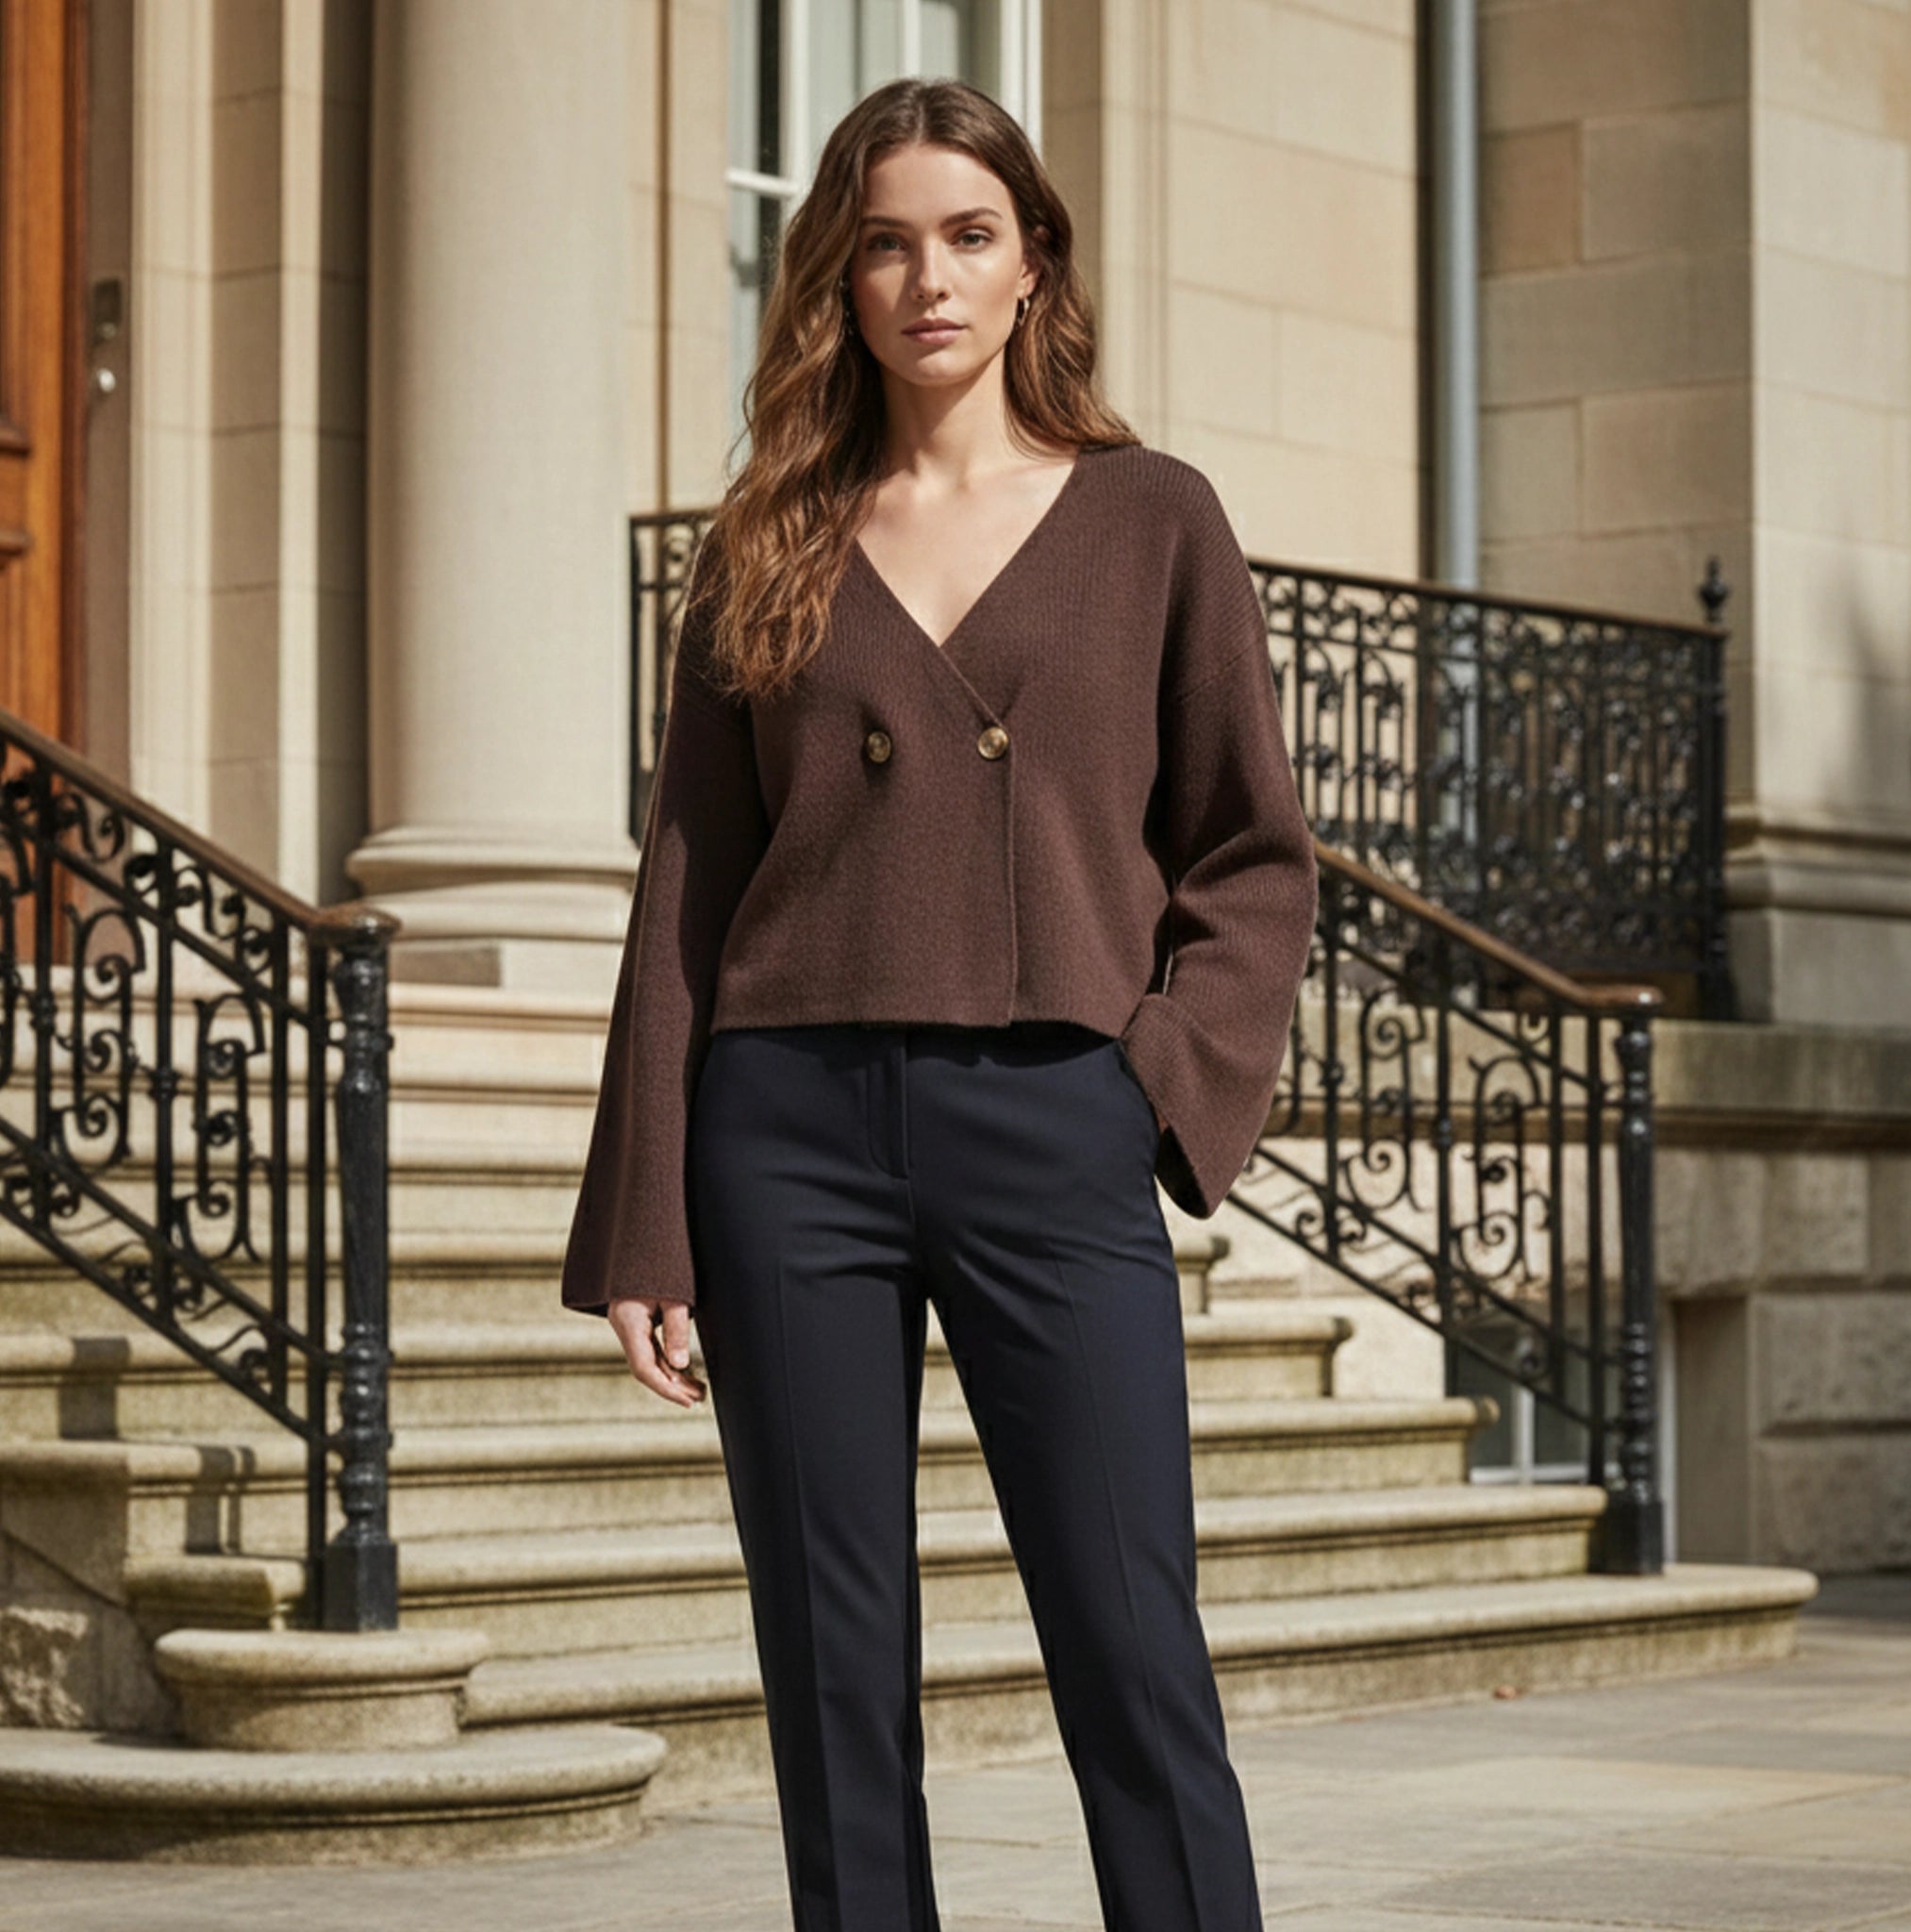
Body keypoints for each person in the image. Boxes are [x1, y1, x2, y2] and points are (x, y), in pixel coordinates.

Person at [561, 75, 1318, 1932]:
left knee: (1131, 1638)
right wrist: (650, 1212)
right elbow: (687, 895)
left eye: (969, 236)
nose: (929, 279)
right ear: (844, 272)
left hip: (1052, 1117)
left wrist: (1146, 1086)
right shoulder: (767, 539)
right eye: (887, 241)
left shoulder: (1151, 519)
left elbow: (1250, 855)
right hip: (785, 1141)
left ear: (1033, 264)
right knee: (831, 1668)